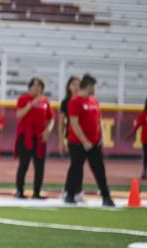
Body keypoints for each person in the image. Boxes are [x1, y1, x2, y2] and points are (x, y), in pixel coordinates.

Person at [64, 74, 115, 207]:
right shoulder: (75, 101)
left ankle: (106, 196)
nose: (95, 89)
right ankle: (70, 194)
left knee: (99, 170)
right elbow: (74, 124)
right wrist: (84, 141)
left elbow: (99, 121)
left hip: (94, 142)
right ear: (89, 86)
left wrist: (101, 138)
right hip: (77, 142)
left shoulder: (94, 101)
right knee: (75, 168)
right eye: (94, 86)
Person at [14, 77, 55, 199]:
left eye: (39, 86)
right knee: (24, 164)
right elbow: (19, 114)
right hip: (26, 135)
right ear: (30, 87)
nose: (36, 88)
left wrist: (48, 130)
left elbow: (51, 118)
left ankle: (37, 192)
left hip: (40, 137)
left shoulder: (45, 101)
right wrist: (31, 104)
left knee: (39, 166)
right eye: (34, 85)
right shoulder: (23, 99)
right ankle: (19, 190)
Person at [57, 75, 80, 156]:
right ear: (69, 87)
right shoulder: (65, 102)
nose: (76, 87)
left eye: (79, 84)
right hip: (72, 137)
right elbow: (61, 123)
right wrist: (61, 141)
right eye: (73, 84)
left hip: (87, 136)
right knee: (76, 162)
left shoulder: (86, 101)